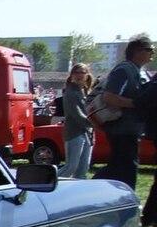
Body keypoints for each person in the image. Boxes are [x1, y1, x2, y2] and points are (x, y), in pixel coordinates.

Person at [93, 34, 152, 188]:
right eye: (149, 50)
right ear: (137, 51)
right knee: (126, 168)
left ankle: (92, 190)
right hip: (122, 129)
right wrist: (135, 104)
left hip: (128, 129)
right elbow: (109, 97)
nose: (152, 53)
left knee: (118, 167)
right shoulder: (124, 70)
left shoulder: (137, 70)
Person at [59, 63, 94, 179]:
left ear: (87, 75)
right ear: (72, 75)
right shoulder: (70, 92)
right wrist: (96, 123)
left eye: (82, 72)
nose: (79, 75)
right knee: (71, 167)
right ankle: (45, 183)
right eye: (76, 72)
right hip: (74, 133)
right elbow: (77, 114)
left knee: (83, 170)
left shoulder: (87, 92)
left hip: (88, 134)